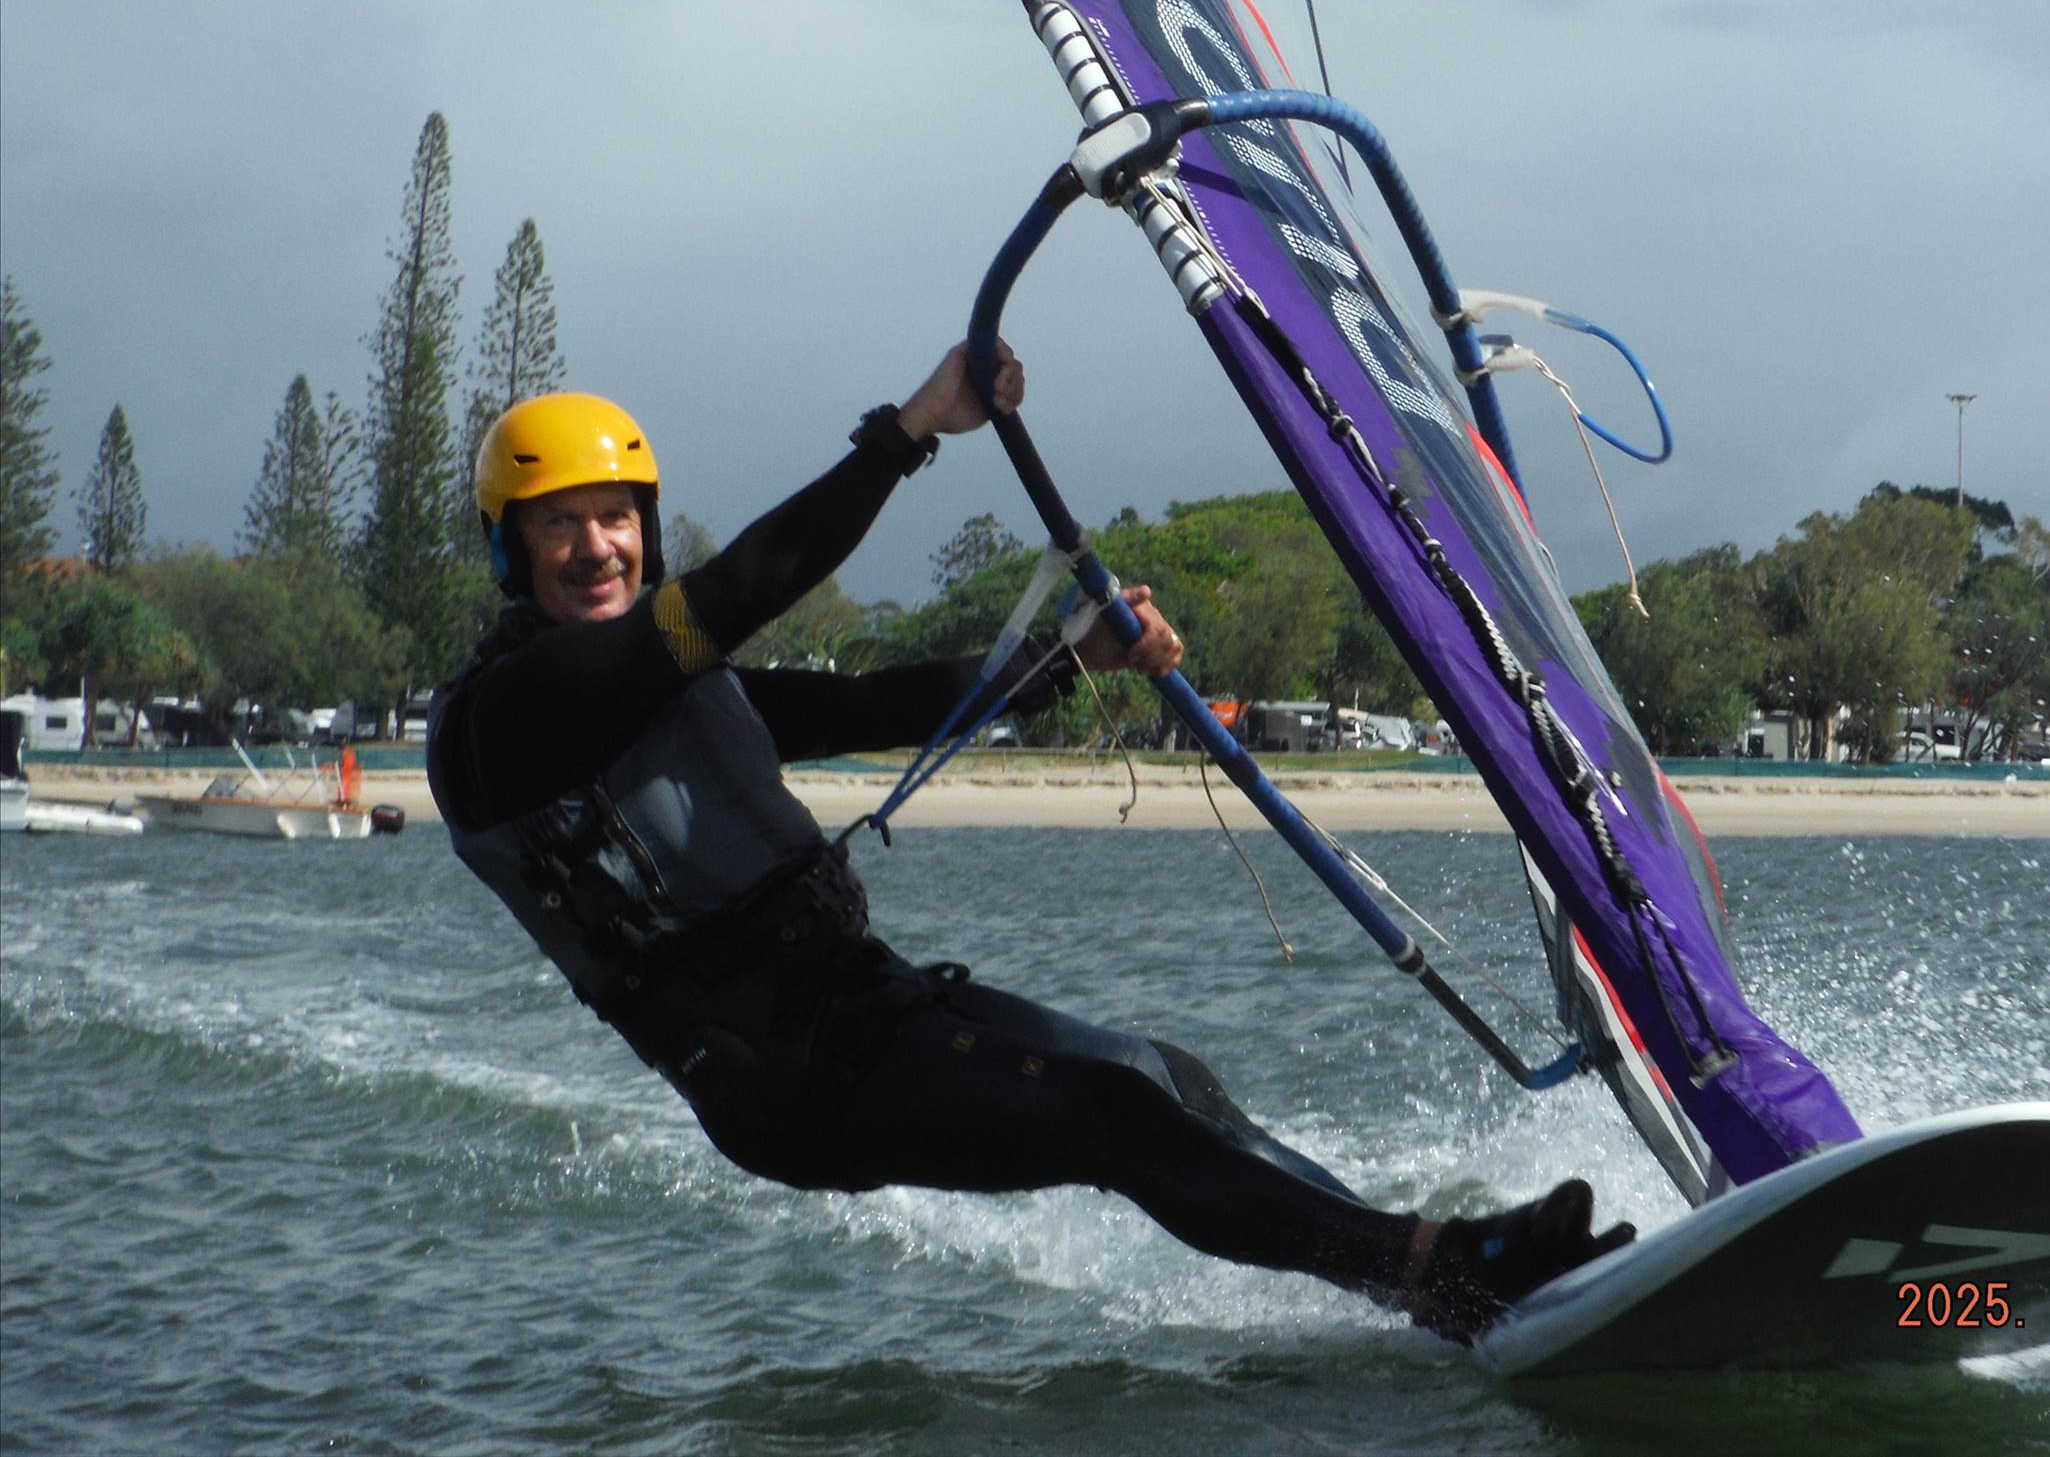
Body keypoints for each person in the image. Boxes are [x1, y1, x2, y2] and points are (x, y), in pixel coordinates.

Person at [427, 345, 1630, 1344]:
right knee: (1113, 1113)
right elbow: (747, 582)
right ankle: (1441, 1273)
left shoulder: (666, 685)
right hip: (785, 1076)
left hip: (859, 1003)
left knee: (1161, 1073)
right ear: (509, 550)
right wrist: (906, 432)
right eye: (561, 526)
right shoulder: (510, 715)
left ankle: (1405, 1262)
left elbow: (864, 707)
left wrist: (1068, 658)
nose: (597, 548)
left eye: (616, 519)